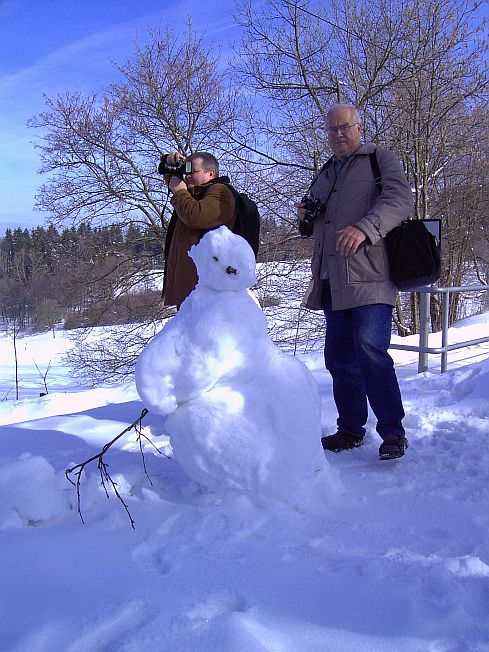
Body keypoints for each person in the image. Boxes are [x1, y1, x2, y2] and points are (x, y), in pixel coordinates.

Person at [297, 103, 413, 460]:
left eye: (344, 127)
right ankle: (350, 429)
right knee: (338, 358)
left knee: (369, 351)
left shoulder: (380, 159)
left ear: (359, 128)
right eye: (332, 130)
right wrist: (304, 216)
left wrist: (366, 228)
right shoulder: (326, 171)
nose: (338, 135)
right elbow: (311, 222)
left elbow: (400, 200)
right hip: (333, 281)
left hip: (370, 277)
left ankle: (392, 432)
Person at [162, 151, 236, 308]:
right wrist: (168, 160)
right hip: (191, 289)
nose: (187, 175)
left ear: (210, 173)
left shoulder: (221, 192)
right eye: (186, 171)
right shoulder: (193, 195)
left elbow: (197, 216)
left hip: (207, 292)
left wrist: (180, 192)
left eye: (192, 171)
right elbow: (170, 177)